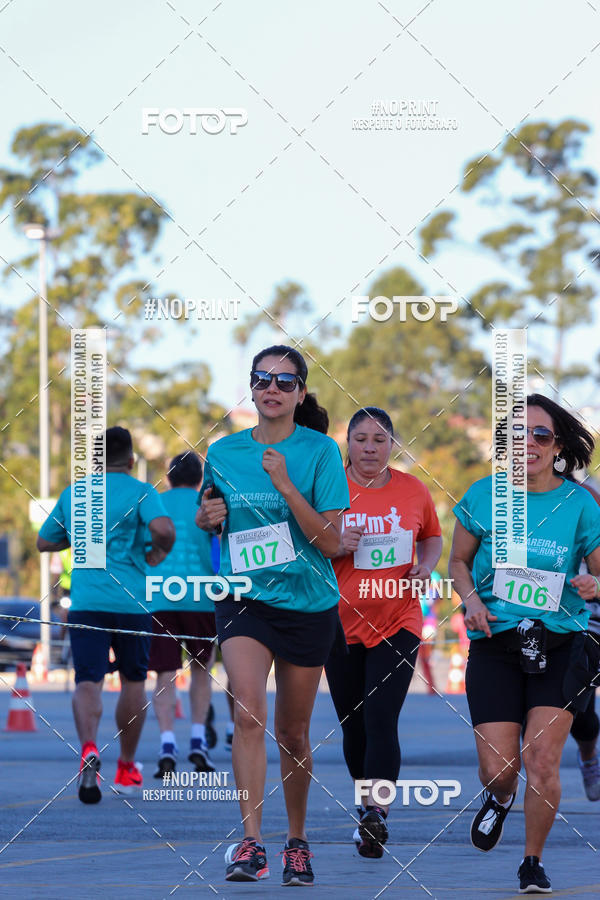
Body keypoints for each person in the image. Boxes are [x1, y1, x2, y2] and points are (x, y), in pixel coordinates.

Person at [196, 344, 349, 885]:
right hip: (244, 598)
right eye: (263, 379)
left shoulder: (321, 453)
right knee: (246, 714)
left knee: (294, 732)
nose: (272, 389)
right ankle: (250, 843)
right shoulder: (224, 451)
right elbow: (211, 516)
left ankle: (297, 842)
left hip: (308, 604)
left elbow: (332, 542)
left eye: (285, 382)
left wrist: (286, 484)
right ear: (252, 388)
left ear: (300, 393)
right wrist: (209, 516)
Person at [449, 394, 600, 894]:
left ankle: (532, 861)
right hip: (495, 641)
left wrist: (594, 585)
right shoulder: (482, 494)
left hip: (559, 643)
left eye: (541, 434)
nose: (529, 443)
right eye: (519, 434)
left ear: (557, 445)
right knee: (500, 769)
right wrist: (470, 600)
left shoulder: (579, 504)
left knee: (541, 759)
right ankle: (499, 797)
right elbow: (457, 563)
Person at [324, 407, 442, 858]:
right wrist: (336, 543)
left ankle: (378, 813)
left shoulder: (412, 490)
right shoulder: (330, 488)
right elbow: (308, 541)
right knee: (353, 727)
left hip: (399, 620)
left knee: (380, 718)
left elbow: (431, 536)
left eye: (379, 439)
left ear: (392, 444)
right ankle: (366, 808)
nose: (370, 447)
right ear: (347, 444)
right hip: (339, 624)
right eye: (361, 439)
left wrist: (426, 565)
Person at [37, 426, 175, 803]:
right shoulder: (142, 491)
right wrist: (157, 554)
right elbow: (163, 530)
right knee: (133, 681)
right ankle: (127, 765)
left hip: (86, 603)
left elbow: (44, 541)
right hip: (131, 605)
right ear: (131, 460)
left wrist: (81, 537)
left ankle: (87, 749)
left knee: (87, 681)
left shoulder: (76, 492)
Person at [147, 451, 217, 778]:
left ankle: (166, 744)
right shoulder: (207, 503)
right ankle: (199, 741)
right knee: (201, 669)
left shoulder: (154, 503)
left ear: (168, 476)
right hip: (202, 599)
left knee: (164, 673)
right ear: (199, 478)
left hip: (160, 598)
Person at [565, 476, 600, 801]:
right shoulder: (516, 499)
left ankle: (589, 755)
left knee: (581, 709)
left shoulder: (587, 495)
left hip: (588, 615)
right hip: (535, 611)